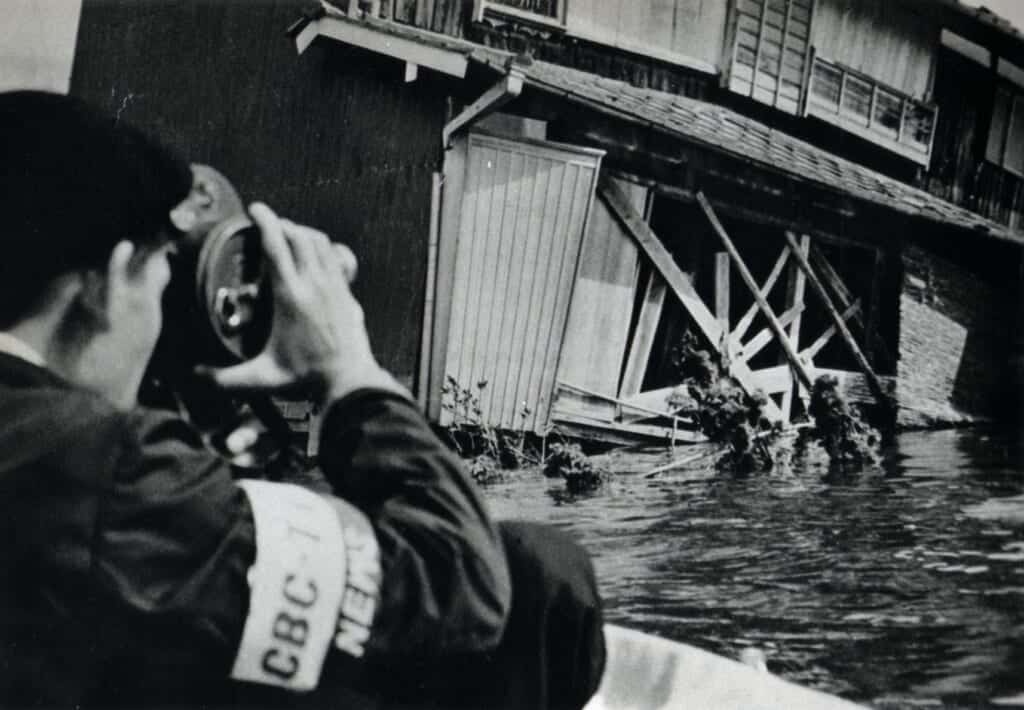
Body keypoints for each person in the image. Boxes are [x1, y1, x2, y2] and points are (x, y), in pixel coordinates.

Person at [0, 90, 604, 709]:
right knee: (540, 573)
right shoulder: (102, 464)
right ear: (108, 283)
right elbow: (460, 584)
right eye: (159, 280)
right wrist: (348, 371)